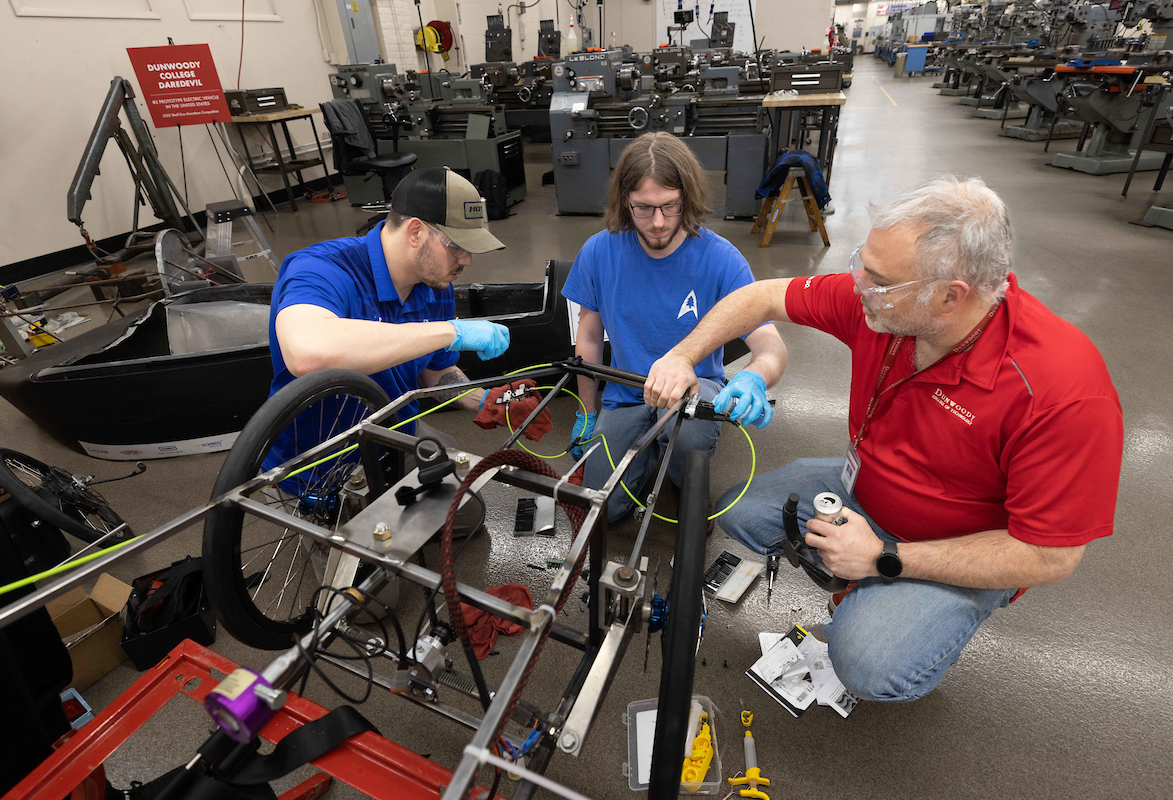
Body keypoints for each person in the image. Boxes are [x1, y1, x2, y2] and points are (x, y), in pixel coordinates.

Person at [644, 175, 1123, 701]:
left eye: (879, 280)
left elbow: (1049, 555)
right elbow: (762, 296)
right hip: (863, 488)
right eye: (861, 265)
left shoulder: (1062, 391)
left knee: (869, 667)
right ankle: (864, 573)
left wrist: (885, 558)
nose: (859, 287)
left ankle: (911, 608)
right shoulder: (881, 305)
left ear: (950, 295)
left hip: (959, 543)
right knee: (736, 509)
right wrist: (681, 357)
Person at [561, 132, 787, 522]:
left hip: (695, 391)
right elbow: (589, 335)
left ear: (688, 198)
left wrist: (754, 379)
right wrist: (587, 410)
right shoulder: (599, 251)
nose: (659, 222)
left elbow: (771, 345)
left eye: (670, 206)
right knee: (604, 511)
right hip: (626, 391)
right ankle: (645, 450)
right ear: (624, 202)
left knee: (689, 456)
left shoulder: (720, 259)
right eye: (643, 209)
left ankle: (678, 461)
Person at [267, 166, 511, 468]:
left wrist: (484, 402)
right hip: (314, 462)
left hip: (392, 439)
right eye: (457, 245)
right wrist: (450, 332)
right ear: (415, 231)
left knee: (457, 489)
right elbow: (307, 353)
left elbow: (434, 370)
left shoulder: (435, 283)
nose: (467, 260)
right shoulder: (321, 268)